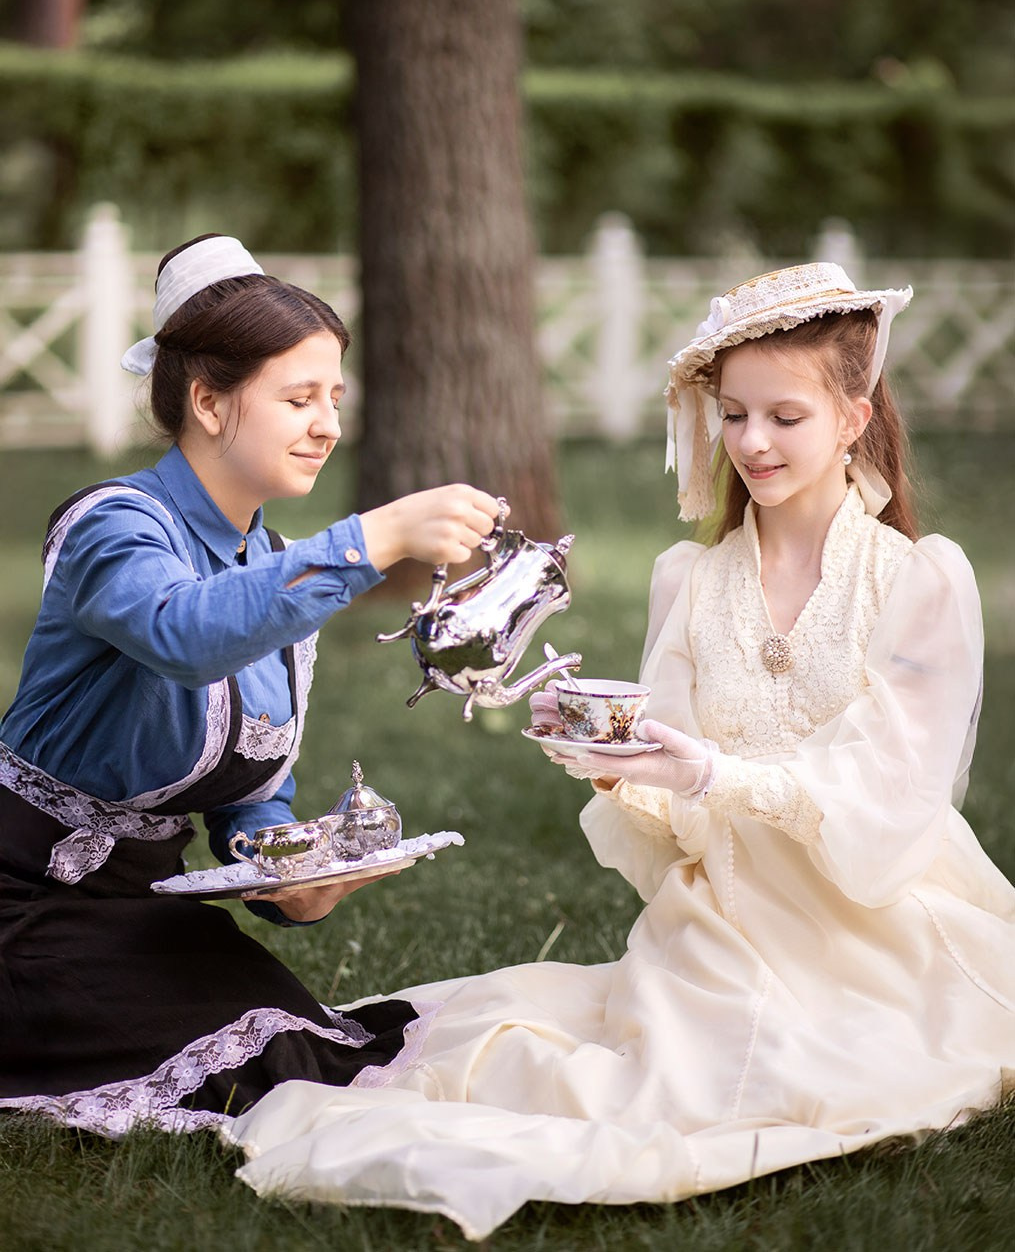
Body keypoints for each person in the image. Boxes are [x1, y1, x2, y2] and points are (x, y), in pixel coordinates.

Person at [218, 263, 1015, 1242]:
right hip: (722, 920)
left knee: (793, 1075)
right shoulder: (690, 579)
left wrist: (710, 773)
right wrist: (618, 766)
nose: (751, 443)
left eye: (784, 417)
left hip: (871, 927)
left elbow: (889, 797)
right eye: (733, 415)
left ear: (853, 419)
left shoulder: (917, 579)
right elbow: (672, 810)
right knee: (617, 1073)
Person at [0, 234, 502, 1137]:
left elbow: (249, 790)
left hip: (136, 912)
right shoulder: (111, 526)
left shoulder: (275, 565)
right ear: (207, 401)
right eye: (299, 399)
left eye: (334, 399)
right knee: (275, 1074)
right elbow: (183, 633)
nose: (328, 426)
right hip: (21, 904)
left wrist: (289, 872)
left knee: (324, 1052)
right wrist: (377, 536)